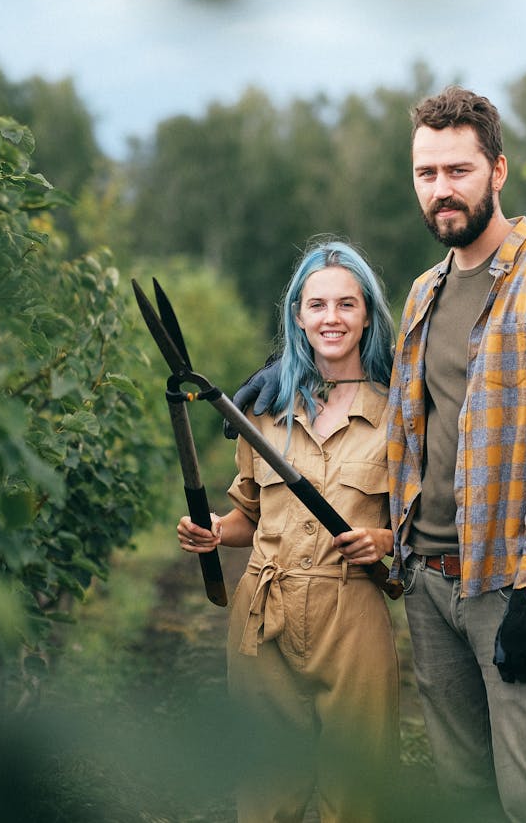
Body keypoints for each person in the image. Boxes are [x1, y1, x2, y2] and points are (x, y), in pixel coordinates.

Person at [234, 87, 526, 822]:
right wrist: (285, 374)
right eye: (427, 173)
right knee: (465, 795)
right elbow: (393, 401)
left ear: (498, 170)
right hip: (432, 585)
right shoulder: (424, 293)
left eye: (459, 170)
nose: (442, 189)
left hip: (511, 584)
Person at [177, 237, 401, 822]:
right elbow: (248, 517)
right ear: (297, 316)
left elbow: (421, 528)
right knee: (265, 790)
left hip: (351, 612)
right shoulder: (264, 411)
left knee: (356, 794)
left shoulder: (399, 412)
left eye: (347, 305)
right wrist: (213, 532)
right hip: (263, 610)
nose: (332, 318)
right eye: (317, 305)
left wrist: (382, 542)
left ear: (368, 315)